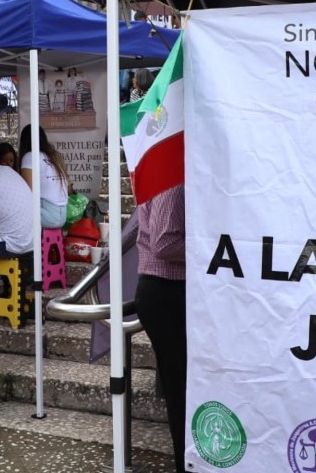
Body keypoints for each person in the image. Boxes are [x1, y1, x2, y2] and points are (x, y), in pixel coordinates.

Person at [135, 183, 186, 472]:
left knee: (180, 383)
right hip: (167, 289)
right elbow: (165, 242)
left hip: (170, 289)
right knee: (179, 385)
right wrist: (212, 245)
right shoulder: (173, 180)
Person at [17, 124, 70, 229]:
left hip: (46, 214)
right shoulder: (55, 156)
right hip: (63, 215)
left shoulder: (30, 156)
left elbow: (27, 192)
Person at [0, 143, 34, 257]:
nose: (8, 165)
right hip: (31, 243)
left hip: (11, 246)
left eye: (11, 161)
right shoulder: (16, 177)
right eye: (4, 161)